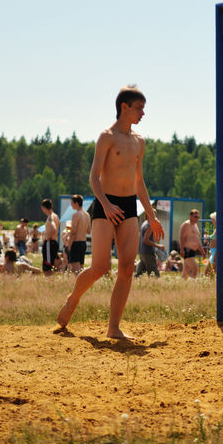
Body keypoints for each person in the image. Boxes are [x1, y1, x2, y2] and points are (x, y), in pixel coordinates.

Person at [57, 85, 164, 338]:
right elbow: (93, 177)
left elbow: (139, 183)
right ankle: (73, 299)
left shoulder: (139, 141)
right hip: (105, 204)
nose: (143, 113)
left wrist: (151, 216)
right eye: (139, 108)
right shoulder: (106, 137)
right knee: (100, 267)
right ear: (124, 107)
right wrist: (105, 204)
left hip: (128, 206)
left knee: (127, 268)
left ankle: (113, 328)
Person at [179, 209, 204, 278]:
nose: (197, 218)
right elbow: (182, 237)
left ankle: (182, 283)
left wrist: (202, 250)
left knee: (186, 271)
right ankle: (193, 283)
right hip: (187, 250)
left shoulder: (195, 225)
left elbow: (197, 239)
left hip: (193, 251)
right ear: (190, 216)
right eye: (195, 217)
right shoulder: (186, 224)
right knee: (194, 268)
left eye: (198, 217)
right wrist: (182, 249)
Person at [68, 194, 90, 272]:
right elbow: (89, 231)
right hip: (83, 243)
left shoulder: (76, 215)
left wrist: (69, 245)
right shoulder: (87, 215)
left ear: (76, 203)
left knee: (76, 270)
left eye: (71, 203)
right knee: (80, 268)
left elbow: (73, 232)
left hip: (76, 243)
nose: (71, 205)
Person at [41, 198, 60, 274]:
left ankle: (48, 279)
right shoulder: (56, 216)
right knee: (51, 264)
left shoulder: (50, 217)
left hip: (50, 242)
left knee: (47, 266)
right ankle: (51, 279)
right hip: (54, 242)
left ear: (44, 207)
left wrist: (48, 237)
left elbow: (54, 228)